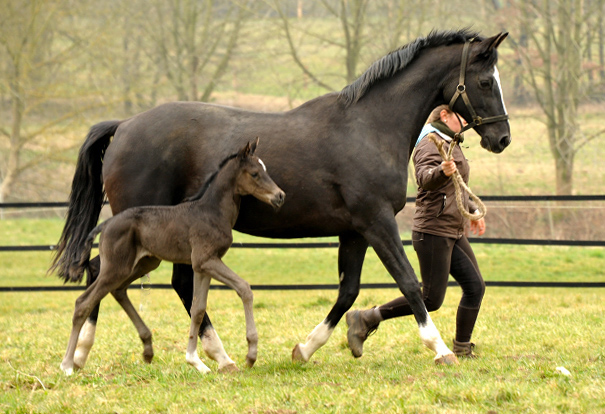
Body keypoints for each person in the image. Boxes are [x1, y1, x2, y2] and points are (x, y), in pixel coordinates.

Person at [346, 104, 486, 359]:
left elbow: (458, 185)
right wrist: (440, 172)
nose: (466, 120)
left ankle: (463, 348)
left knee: (475, 286)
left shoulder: (449, 142)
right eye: (461, 115)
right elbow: (424, 178)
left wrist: (472, 208)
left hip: (452, 229)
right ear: (445, 115)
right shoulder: (428, 143)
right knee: (432, 299)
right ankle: (366, 318)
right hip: (433, 231)